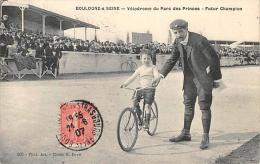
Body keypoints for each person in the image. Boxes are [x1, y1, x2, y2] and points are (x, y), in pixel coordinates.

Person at [152, 19, 222, 149]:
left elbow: (214, 59)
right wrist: (160, 76)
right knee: (188, 105)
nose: (178, 35)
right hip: (189, 80)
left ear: (187, 29)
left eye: (181, 31)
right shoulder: (177, 41)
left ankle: (205, 137)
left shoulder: (199, 40)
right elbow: (172, 58)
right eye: (175, 32)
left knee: (204, 106)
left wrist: (216, 79)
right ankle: (186, 133)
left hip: (203, 79)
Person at [121, 49, 160, 130]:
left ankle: (147, 123)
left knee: (147, 106)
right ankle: (140, 115)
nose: (146, 60)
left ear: (151, 59)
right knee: (134, 102)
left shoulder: (153, 67)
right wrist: (125, 84)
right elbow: (132, 77)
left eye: (148, 58)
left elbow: (156, 75)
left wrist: (155, 79)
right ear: (141, 59)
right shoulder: (140, 69)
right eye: (144, 58)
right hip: (141, 89)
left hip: (150, 89)